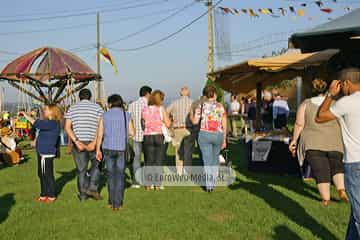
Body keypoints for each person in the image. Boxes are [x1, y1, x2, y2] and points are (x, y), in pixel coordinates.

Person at [316, 68, 360, 239]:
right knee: (355, 211)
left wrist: (330, 95)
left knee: (358, 214)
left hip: (355, 163)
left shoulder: (347, 102)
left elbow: (320, 117)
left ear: (345, 83)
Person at [289, 79, 348, 206]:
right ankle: (341, 190)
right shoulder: (335, 103)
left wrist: (294, 140)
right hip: (334, 141)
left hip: (312, 141)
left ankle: (326, 199)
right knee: (337, 166)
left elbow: (299, 124)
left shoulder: (305, 104)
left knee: (321, 170)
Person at [96, 94, 135, 211]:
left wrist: (98, 149)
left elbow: (100, 134)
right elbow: (132, 133)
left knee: (111, 175)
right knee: (120, 176)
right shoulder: (126, 115)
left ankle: (110, 201)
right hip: (121, 148)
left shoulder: (104, 115)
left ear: (110, 103)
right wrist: (123, 134)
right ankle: (118, 203)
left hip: (107, 148)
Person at [65, 89, 104, 201]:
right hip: (93, 142)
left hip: (78, 143)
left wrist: (76, 141)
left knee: (81, 170)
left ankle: (82, 195)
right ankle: (92, 187)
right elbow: (100, 127)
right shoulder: (97, 108)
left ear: (79, 97)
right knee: (97, 166)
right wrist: (94, 142)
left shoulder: (72, 109)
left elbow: (67, 127)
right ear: (90, 97)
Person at [21, 105, 62, 203]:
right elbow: (40, 129)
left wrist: (26, 115)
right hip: (41, 152)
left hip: (46, 153)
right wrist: (36, 140)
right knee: (41, 174)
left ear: (52, 112)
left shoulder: (53, 123)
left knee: (47, 174)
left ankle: (51, 195)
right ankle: (44, 194)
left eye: (46, 110)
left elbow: (36, 123)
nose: (44, 111)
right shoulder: (49, 123)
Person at [191, 85, 227, 192]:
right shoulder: (220, 106)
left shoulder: (201, 106)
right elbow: (224, 123)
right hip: (218, 134)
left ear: (205, 95)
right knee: (215, 159)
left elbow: (195, 122)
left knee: (207, 160)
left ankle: (209, 185)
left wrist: (190, 115)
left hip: (205, 134)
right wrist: (224, 138)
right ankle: (213, 182)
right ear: (215, 94)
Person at [141, 90, 171, 190]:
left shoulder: (145, 109)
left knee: (149, 161)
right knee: (159, 161)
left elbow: (143, 124)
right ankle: (157, 184)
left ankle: (148, 184)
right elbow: (168, 124)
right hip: (159, 135)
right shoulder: (161, 109)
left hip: (147, 136)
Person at [128, 86, 152, 188]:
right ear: (147, 94)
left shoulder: (132, 105)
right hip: (148, 135)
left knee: (136, 159)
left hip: (136, 135)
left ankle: (136, 182)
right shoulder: (150, 105)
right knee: (148, 159)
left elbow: (129, 120)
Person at [167, 87, 193, 175]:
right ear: (188, 93)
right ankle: (187, 170)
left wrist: (171, 122)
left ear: (180, 93)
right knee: (188, 150)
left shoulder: (174, 102)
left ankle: (179, 171)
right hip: (188, 129)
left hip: (177, 128)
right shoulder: (192, 103)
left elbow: (166, 113)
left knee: (178, 151)